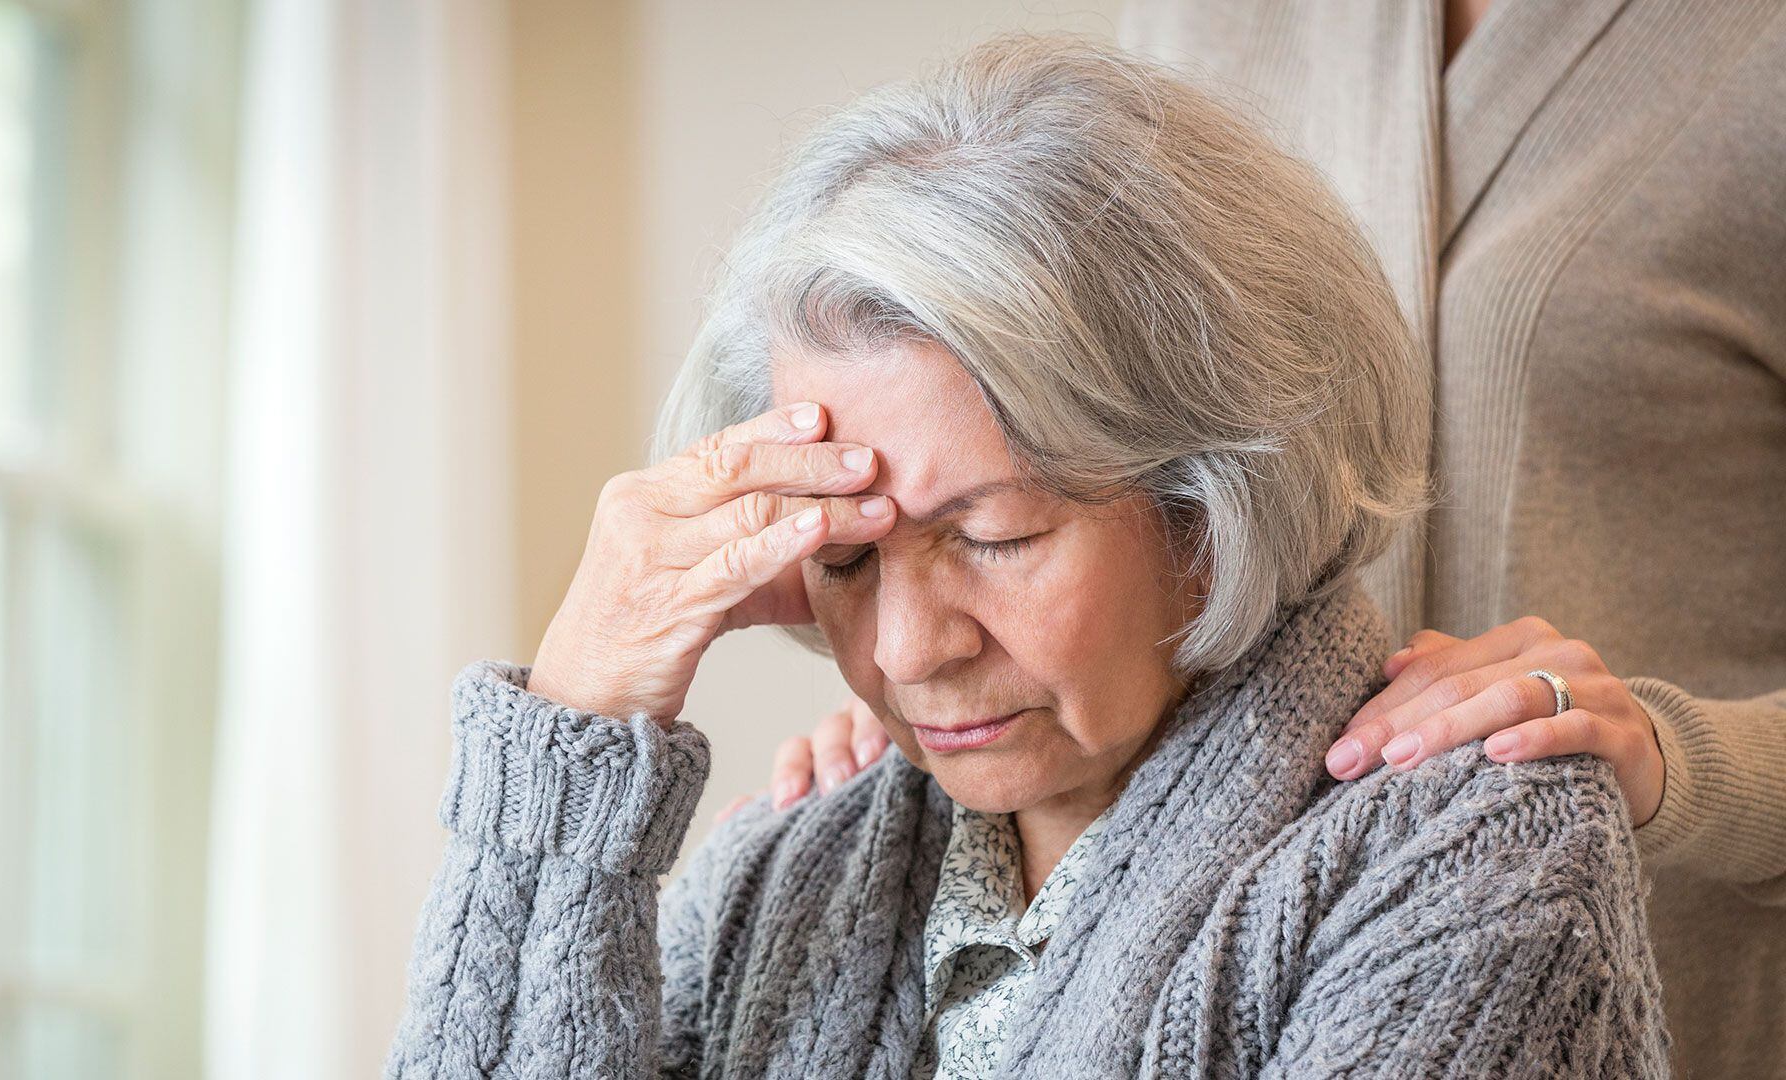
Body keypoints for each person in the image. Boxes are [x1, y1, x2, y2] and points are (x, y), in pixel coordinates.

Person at [384, 33, 1669, 1078]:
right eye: (844, 559)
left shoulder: (1481, 867)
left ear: (1214, 507)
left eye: (994, 539)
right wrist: (571, 743)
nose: (904, 651)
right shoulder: (777, 875)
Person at [764, 4, 1786, 1075]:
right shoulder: (1208, 23)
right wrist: (950, 691)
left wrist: (1683, 768)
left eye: (1003, 534)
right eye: (847, 557)